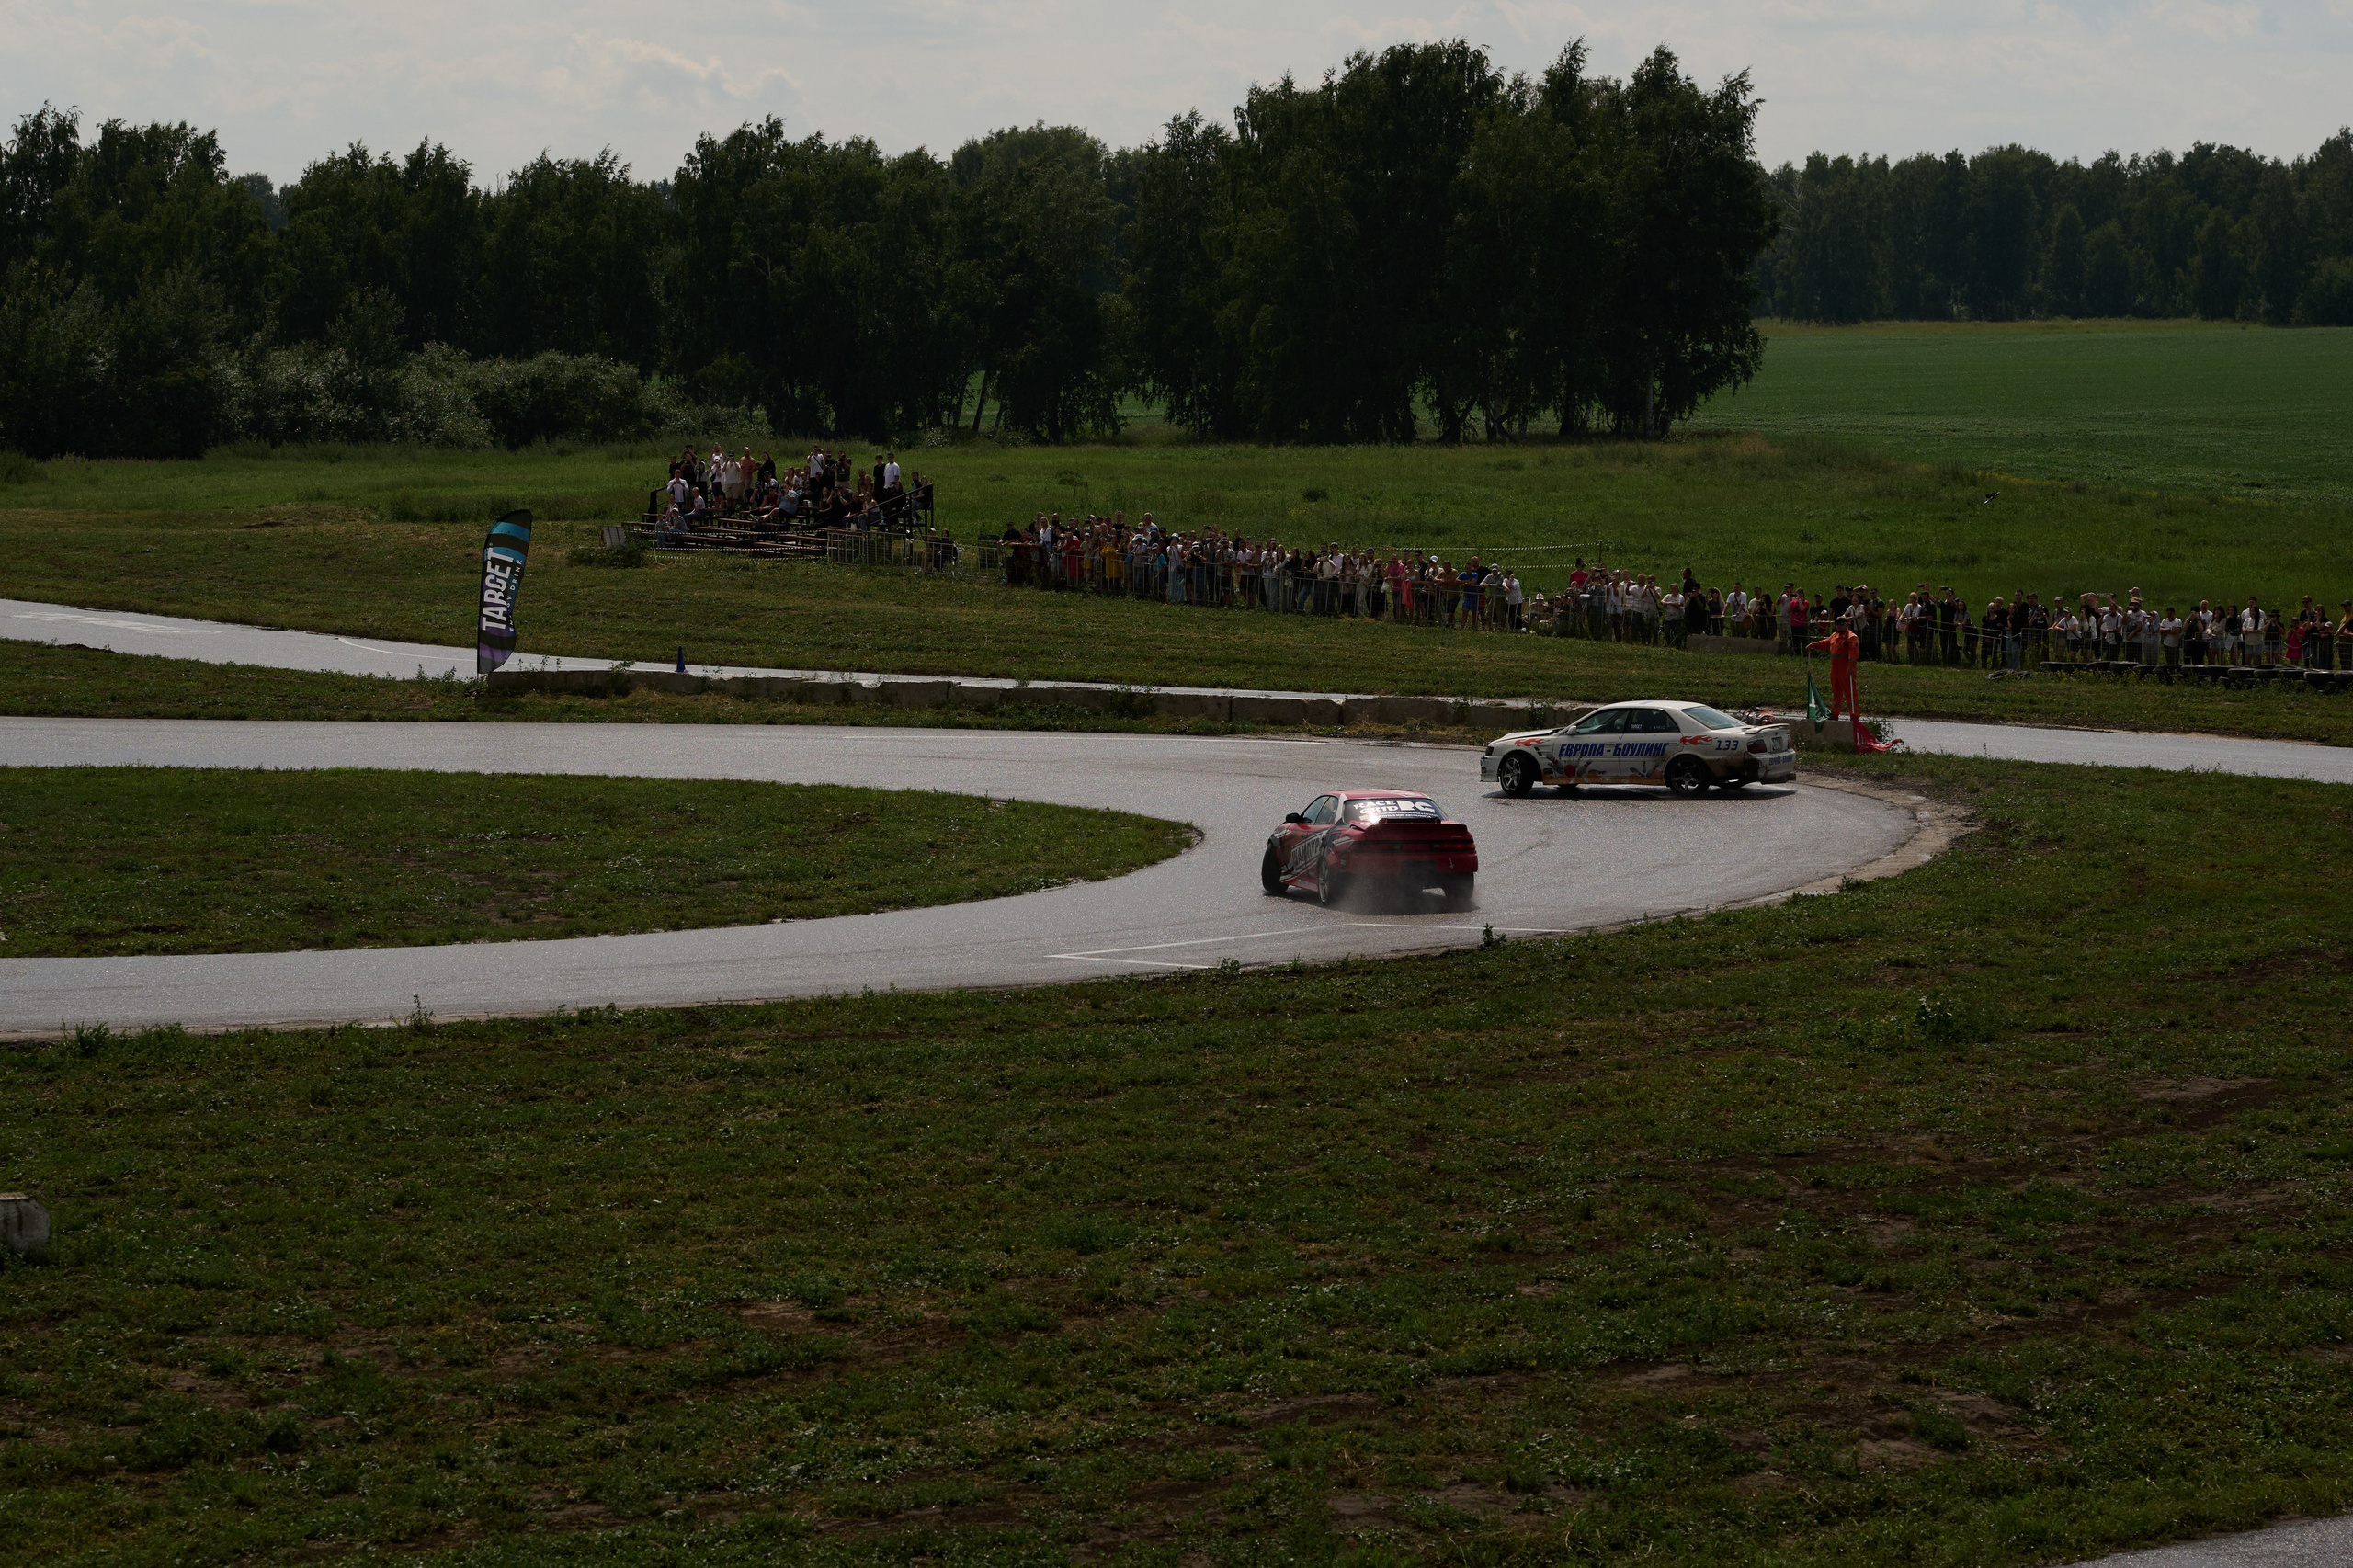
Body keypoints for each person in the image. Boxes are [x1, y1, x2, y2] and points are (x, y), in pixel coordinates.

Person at [1806, 620, 1861, 721]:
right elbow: (1825, 643)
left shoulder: (1851, 637)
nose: (1840, 626)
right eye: (1838, 624)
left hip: (1845, 669)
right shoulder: (1834, 636)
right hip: (1835, 669)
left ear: (1846, 624)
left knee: (1850, 692)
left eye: (1842, 624)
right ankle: (1835, 713)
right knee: (1836, 693)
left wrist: (1851, 665)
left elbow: (1854, 652)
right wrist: (1813, 645)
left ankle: (1854, 714)